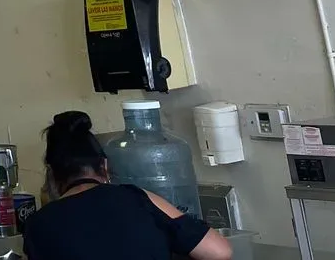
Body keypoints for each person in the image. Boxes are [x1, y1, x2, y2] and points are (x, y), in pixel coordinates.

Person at [22, 111, 231, 260]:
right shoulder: (135, 197)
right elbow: (219, 252)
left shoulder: (37, 225)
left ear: (51, 173)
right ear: (104, 166)